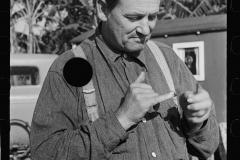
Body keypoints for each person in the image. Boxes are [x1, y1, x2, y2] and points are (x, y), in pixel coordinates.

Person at [30, 0, 219, 159]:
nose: (145, 29)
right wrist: (121, 120)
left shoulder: (167, 58)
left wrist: (197, 120)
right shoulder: (71, 67)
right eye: (133, 18)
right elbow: (45, 153)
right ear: (102, 10)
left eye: (152, 17)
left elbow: (207, 146)